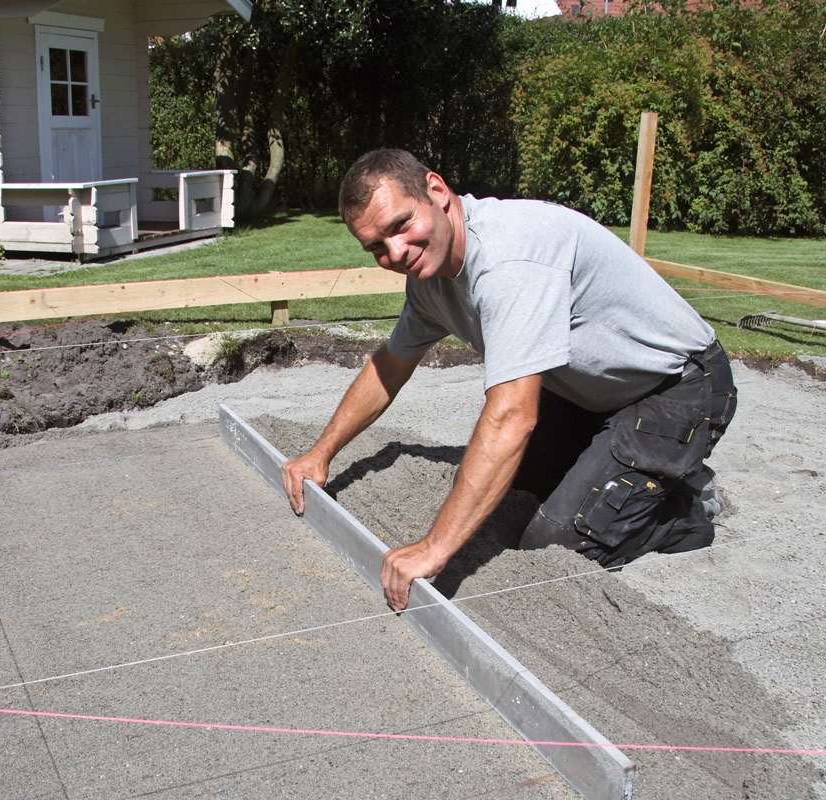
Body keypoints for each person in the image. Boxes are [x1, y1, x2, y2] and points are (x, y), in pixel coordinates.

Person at [281, 149, 736, 612]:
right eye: (376, 246)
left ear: (436, 191)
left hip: (679, 387)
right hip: (588, 395)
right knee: (514, 494)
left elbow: (513, 417)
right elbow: (390, 366)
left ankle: (684, 509)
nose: (395, 253)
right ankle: (638, 473)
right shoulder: (429, 278)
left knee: (554, 543)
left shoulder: (508, 261)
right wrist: (320, 454)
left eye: (400, 226)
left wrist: (434, 549)